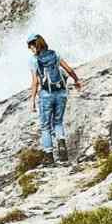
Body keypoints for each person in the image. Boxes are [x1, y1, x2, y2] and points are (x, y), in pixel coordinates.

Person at [27, 34, 83, 162]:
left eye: (30, 47)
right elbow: (68, 69)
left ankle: (49, 156)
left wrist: (33, 100)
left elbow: (35, 82)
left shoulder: (34, 60)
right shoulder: (54, 54)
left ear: (34, 46)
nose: (30, 50)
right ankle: (62, 150)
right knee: (58, 122)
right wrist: (76, 80)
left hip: (46, 94)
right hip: (61, 92)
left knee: (45, 126)